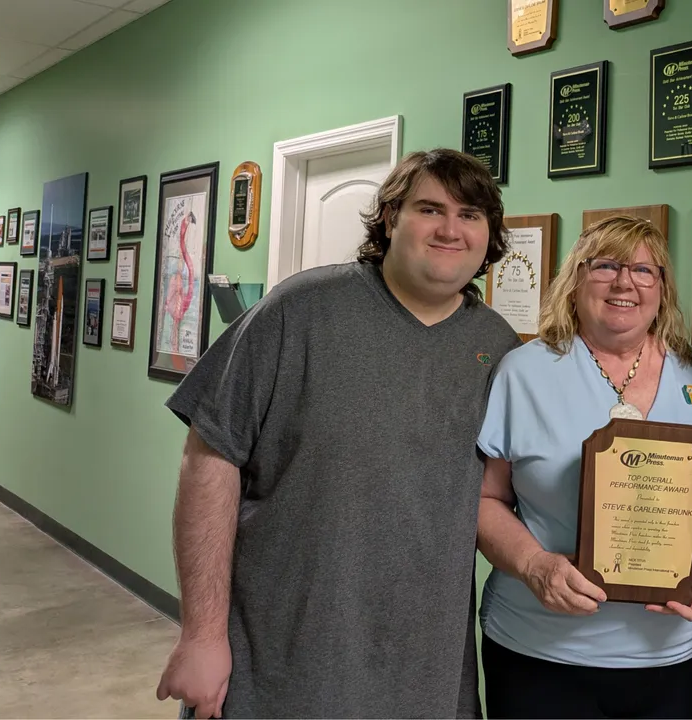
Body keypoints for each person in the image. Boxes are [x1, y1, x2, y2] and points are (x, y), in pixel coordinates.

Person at [154, 148, 522, 719]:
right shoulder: (298, 311)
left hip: (423, 669)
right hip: (278, 659)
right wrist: (202, 635)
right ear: (391, 217)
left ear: (490, 235)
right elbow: (209, 458)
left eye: (471, 215)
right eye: (430, 209)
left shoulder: (498, 350)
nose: (451, 229)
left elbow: (494, 498)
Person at [473, 216, 692, 719]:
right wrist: (534, 566)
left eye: (644, 270)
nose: (625, 283)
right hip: (541, 654)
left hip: (671, 659)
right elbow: (486, 499)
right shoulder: (524, 372)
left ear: (662, 288)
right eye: (607, 266)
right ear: (575, 280)